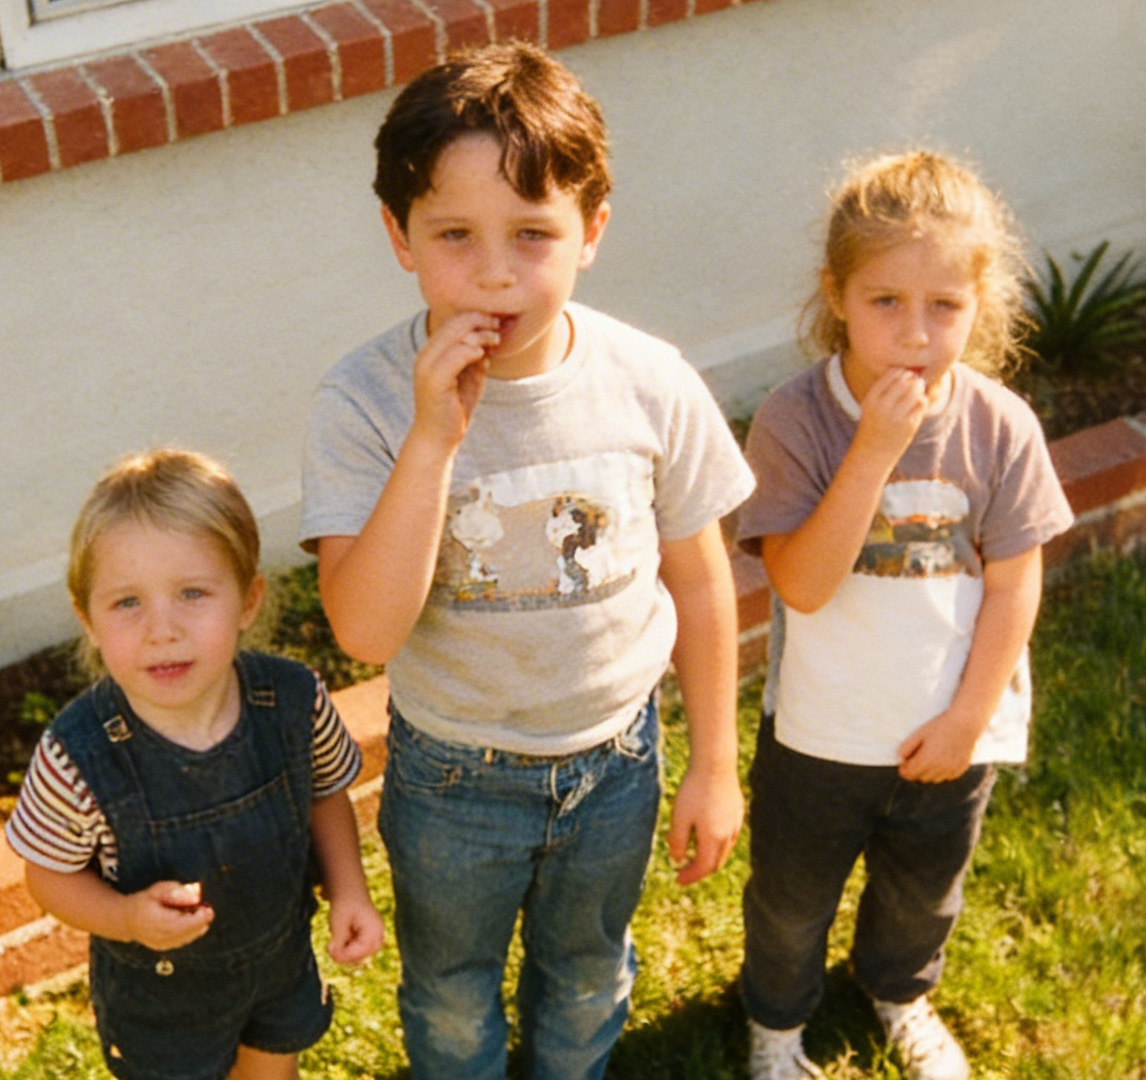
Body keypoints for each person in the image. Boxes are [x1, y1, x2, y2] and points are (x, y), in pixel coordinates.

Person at [297, 40, 755, 1080]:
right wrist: (433, 440)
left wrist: (715, 765)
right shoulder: (365, 401)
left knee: (587, 974)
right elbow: (365, 631)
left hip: (616, 761)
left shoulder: (650, 382)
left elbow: (699, 579)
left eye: (533, 233)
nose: (496, 271)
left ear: (592, 231)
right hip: (454, 775)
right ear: (399, 236)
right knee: (452, 995)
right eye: (455, 234)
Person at [736, 151, 1074, 1080]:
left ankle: (898, 992)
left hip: (948, 729)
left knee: (922, 892)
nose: (916, 333)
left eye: (945, 306)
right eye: (885, 300)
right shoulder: (796, 420)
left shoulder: (999, 424)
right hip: (821, 735)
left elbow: (1014, 584)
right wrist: (874, 452)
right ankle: (776, 1025)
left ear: (979, 305)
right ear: (836, 295)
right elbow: (802, 586)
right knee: (791, 901)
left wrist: (970, 716)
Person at [6, 448, 384, 1080]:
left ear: (248, 599)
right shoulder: (77, 756)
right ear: (87, 618)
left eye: (192, 593)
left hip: (279, 962)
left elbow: (323, 794)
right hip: (161, 1005)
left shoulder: (294, 702)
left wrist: (349, 888)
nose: (163, 629)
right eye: (127, 603)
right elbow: (48, 874)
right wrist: (125, 918)